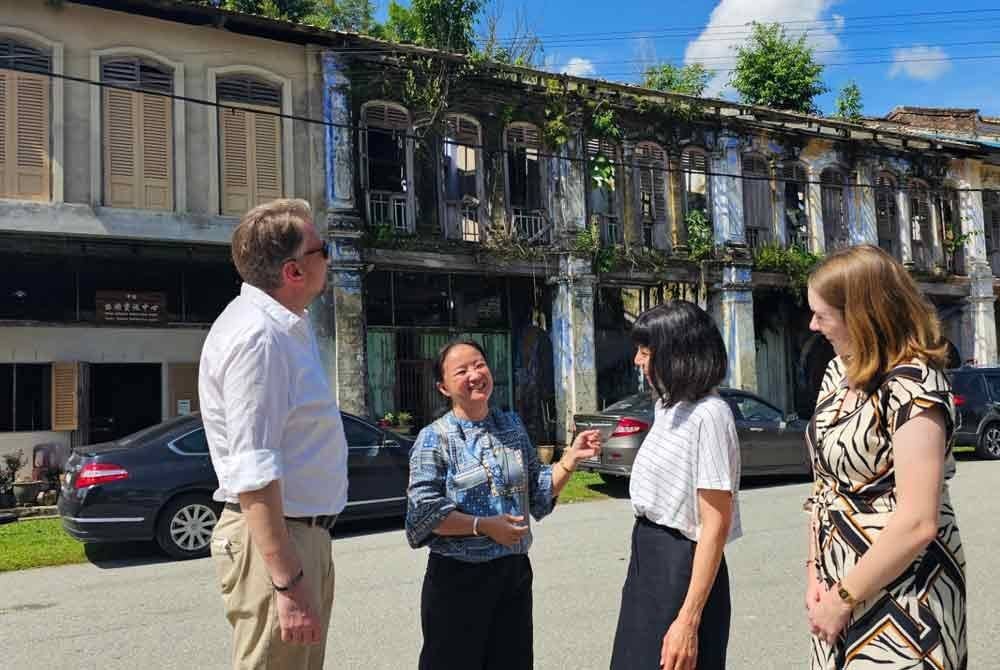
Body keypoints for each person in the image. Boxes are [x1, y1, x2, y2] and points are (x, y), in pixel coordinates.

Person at [199, 199, 349, 670]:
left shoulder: (285, 328)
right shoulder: (259, 337)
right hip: (280, 540)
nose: (330, 258)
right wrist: (287, 581)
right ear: (293, 271)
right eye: (323, 250)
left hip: (301, 535)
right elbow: (254, 471)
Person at [804, 245, 966, 669]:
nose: (813, 325)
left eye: (822, 315)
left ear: (862, 315)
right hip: (837, 586)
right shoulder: (838, 372)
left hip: (904, 593)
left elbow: (917, 522)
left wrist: (843, 598)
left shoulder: (915, 385)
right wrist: (815, 571)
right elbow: (823, 484)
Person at [405, 339, 602, 670]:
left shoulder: (511, 426)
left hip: (513, 575)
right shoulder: (435, 438)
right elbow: (423, 512)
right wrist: (482, 526)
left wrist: (571, 459)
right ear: (443, 387)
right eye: (462, 371)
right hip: (458, 581)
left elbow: (539, 491)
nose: (475, 375)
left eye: (479, 365)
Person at [610, 300, 740, 670]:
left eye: (645, 351)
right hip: (648, 558)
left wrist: (688, 619)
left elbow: (715, 525)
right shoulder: (668, 406)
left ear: (676, 353)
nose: (637, 360)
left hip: (681, 567)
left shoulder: (710, 415)